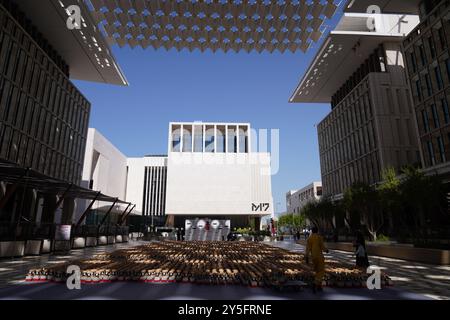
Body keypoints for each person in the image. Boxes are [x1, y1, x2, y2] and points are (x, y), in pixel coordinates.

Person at [304, 226, 328, 293]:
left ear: (312, 231)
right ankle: (315, 283)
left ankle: (319, 286)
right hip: (319, 256)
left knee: (316, 271)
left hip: (313, 257)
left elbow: (307, 249)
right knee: (321, 271)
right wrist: (326, 250)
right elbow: (322, 246)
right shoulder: (319, 237)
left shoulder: (309, 238)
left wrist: (306, 257)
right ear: (317, 231)